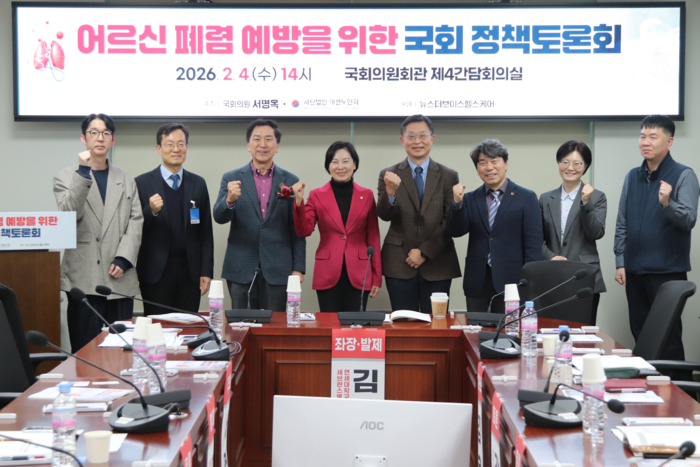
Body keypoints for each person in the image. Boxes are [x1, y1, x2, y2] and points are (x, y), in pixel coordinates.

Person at [53, 113, 143, 352]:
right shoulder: (65, 177)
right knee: (85, 351)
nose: (100, 138)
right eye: (94, 133)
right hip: (83, 276)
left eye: (105, 133)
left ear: (113, 139)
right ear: (84, 138)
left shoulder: (125, 178)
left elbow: (136, 220)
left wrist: (124, 258)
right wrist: (82, 175)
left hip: (119, 277)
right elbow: (69, 214)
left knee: (121, 352)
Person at [614, 115, 699, 362]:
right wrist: (620, 261)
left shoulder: (684, 175)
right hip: (634, 271)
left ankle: (678, 388)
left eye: (653, 136)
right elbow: (622, 222)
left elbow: (689, 219)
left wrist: (667, 203)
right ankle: (648, 386)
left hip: (667, 272)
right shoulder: (632, 176)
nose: (645, 142)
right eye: (642, 136)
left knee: (668, 338)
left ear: (669, 142)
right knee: (642, 336)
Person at [213, 119, 305, 311]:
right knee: (241, 324)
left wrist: (298, 268)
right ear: (248, 145)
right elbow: (219, 217)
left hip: (278, 268)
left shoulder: (290, 180)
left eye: (268, 139)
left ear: (277, 146)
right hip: (240, 268)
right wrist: (230, 200)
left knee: (276, 326)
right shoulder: (231, 178)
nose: (263, 144)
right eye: (257, 139)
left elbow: (297, 228)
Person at [377, 115, 461, 313]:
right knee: (403, 323)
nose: (417, 141)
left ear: (432, 139)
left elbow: (449, 221)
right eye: (411, 136)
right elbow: (384, 215)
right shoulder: (388, 174)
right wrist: (390, 192)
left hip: (438, 262)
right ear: (402, 140)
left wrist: (424, 252)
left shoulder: (449, 175)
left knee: (436, 324)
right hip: (399, 261)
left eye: (422, 136)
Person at [448, 139, 542, 314]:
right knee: (475, 329)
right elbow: (456, 231)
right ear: (477, 169)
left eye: (494, 161)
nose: (489, 167)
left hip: (513, 282)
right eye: (482, 163)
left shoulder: (526, 197)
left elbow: (534, 245)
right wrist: (457, 204)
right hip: (477, 281)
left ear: (506, 164)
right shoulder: (469, 198)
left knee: (509, 329)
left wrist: (530, 283)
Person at [292, 142, 382, 312]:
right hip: (327, 271)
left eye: (346, 161)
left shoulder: (367, 195)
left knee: (355, 324)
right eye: (334, 162)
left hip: (360, 272)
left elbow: (373, 237)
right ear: (328, 166)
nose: (340, 167)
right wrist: (298, 202)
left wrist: (377, 277)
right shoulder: (316, 195)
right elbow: (304, 230)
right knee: (329, 324)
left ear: (355, 165)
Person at [134, 123, 214, 315]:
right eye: (169, 144)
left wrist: (206, 271)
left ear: (186, 147)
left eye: (181, 144)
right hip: (155, 272)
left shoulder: (198, 183)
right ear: (159, 149)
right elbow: (133, 228)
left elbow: (205, 232)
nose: (176, 149)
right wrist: (151, 211)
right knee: (157, 327)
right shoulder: (142, 183)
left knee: (188, 326)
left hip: (190, 272)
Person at [540, 141, 607, 324]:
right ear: (558, 164)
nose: (570, 168)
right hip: (552, 275)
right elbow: (536, 238)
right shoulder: (545, 198)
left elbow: (596, 233)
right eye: (565, 162)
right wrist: (550, 257)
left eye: (577, 163)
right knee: (551, 330)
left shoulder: (597, 197)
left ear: (585, 167)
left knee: (583, 332)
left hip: (584, 275)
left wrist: (586, 203)